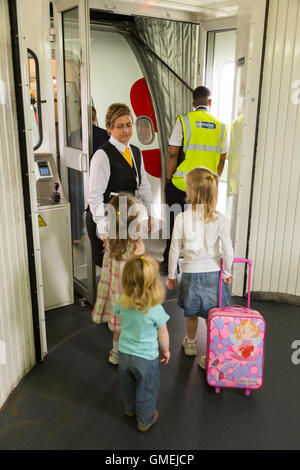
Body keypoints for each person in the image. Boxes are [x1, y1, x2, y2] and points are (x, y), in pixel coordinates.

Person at [166, 167, 234, 369]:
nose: (186, 189)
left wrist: (171, 275)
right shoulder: (221, 219)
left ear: (193, 192)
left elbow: (174, 250)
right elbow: (228, 251)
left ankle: (191, 343)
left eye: (188, 186)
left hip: (191, 274)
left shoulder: (182, 218)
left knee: (191, 313)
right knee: (212, 315)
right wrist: (228, 273)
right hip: (214, 273)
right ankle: (212, 350)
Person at [161, 85, 230, 274]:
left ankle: (170, 261)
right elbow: (222, 159)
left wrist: (169, 178)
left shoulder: (184, 121)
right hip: (207, 186)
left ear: (193, 103)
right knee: (203, 224)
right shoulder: (223, 126)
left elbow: (173, 153)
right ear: (210, 102)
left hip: (181, 185)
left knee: (174, 222)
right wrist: (213, 182)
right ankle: (200, 263)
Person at [87, 103, 152, 267]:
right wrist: (103, 231)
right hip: (108, 220)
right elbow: (94, 197)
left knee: (129, 269)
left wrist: (149, 214)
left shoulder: (136, 152)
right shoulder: (102, 155)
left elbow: (144, 186)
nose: (126, 130)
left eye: (129, 125)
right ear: (109, 128)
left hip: (128, 218)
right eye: (120, 126)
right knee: (113, 273)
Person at [114, 255, 170, 432]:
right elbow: (163, 334)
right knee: (147, 388)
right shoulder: (156, 309)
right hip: (146, 358)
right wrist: (166, 351)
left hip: (124, 353)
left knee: (127, 384)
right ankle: (145, 419)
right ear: (154, 284)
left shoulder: (122, 302)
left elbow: (116, 317)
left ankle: (130, 410)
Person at [91, 193, 145, 365]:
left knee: (118, 329)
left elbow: (107, 270)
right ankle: (132, 353)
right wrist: (140, 255)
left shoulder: (109, 242)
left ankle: (115, 353)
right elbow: (139, 274)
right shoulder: (135, 246)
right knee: (133, 326)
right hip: (131, 296)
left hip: (115, 295)